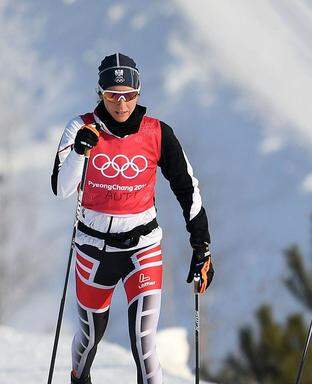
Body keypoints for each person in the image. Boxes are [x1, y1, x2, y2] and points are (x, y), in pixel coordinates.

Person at [51, 53, 214, 384]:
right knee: (86, 341)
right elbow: (61, 188)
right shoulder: (80, 127)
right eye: (112, 95)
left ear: (138, 93)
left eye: (128, 95)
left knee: (144, 343)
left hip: (143, 249)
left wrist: (202, 246)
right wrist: (80, 151)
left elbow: (187, 188)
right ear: (101, 94)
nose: (121, 104)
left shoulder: (157, 133)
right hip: (93, 251)